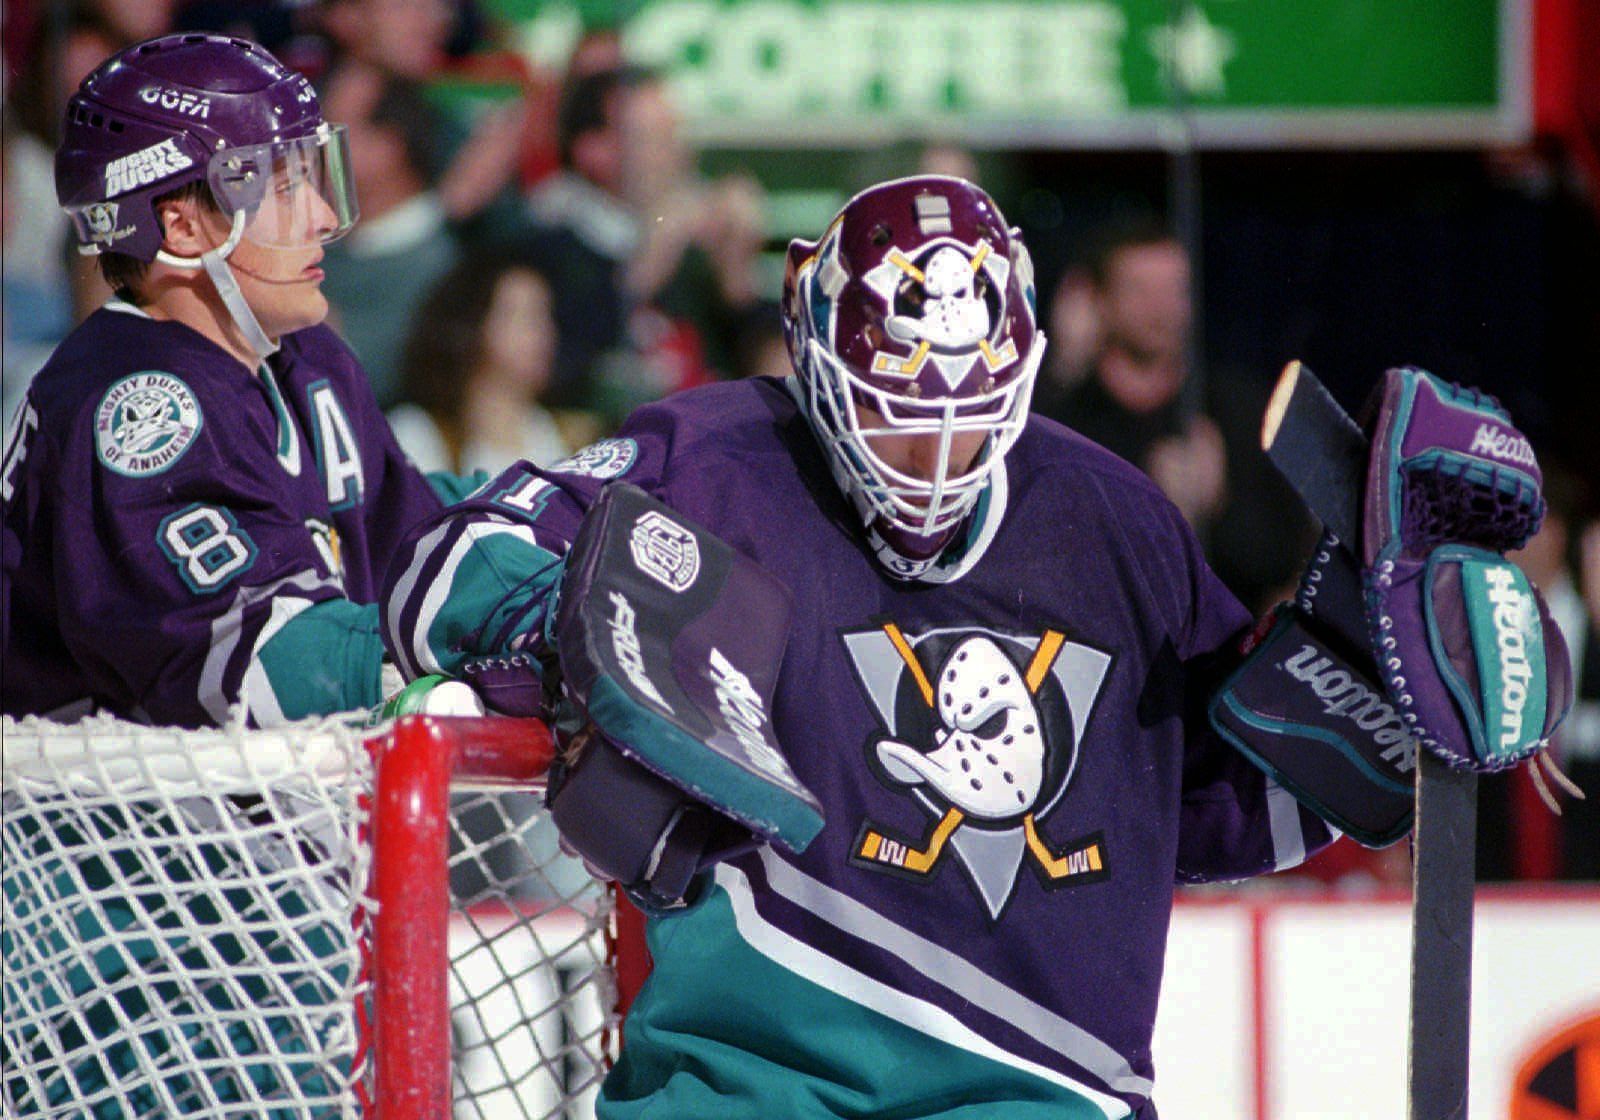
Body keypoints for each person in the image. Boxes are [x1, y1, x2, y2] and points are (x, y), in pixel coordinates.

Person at [379, 176, 1565, 1118]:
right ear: (816, 359)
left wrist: (1384, 707)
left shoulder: (1113, 519)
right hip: (750, 1091)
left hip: (1043, 1092)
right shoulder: (716, 456)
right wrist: (573, 623)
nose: (935, 462)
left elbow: (1205, 802)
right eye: (896, 416)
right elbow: (450, 563)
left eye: (970, 419)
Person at [1, 32, 460, 729]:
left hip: (249, 822)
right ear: (182, 228)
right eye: (284, 187)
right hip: (108, 826)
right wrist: (454, 651)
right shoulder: (136, 403)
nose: (324, 216)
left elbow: (416, 542)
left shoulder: (308, 360)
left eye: (311, 176)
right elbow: (248, 669)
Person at [1034, 217, 1227, 533]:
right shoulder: (1069, 421)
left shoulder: (1227, 408)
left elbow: (1270, 561)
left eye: (1175, 290)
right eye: (1140, 289)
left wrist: (1217, 503)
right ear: (1099, 299)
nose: (1161, 308)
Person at [388, 250, 574, 476]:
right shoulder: (418, 436)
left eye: (545, 316)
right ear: (470, 326)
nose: (543, 333)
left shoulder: (570, 438)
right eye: (523, 317)